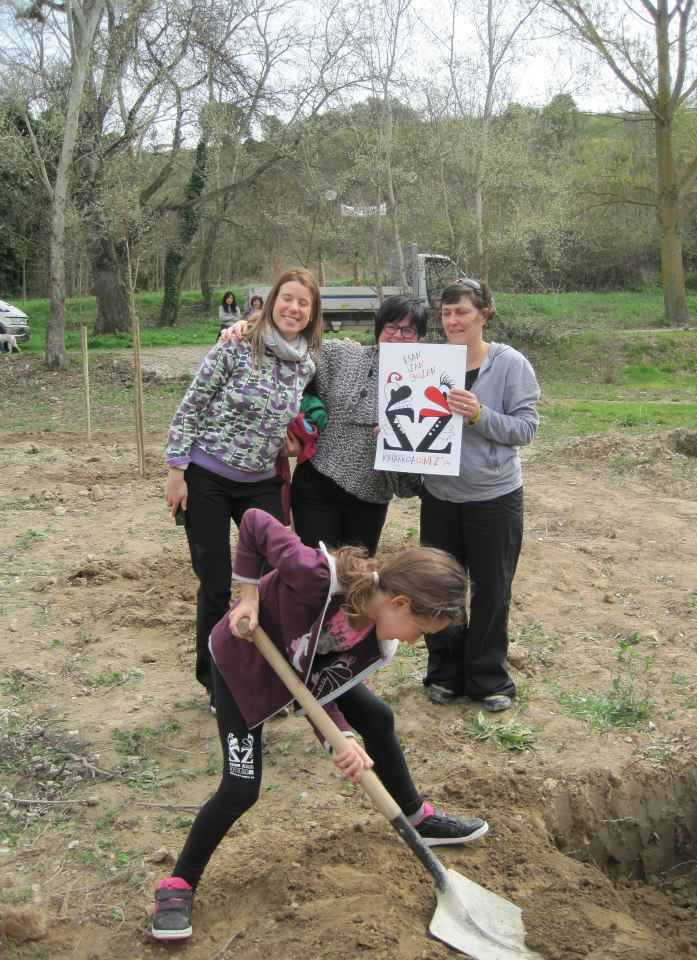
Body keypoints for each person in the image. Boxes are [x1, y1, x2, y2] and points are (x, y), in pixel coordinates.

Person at [150, 508, 489, 942]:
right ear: (400, 603)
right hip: (244, 668)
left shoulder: (372, 639)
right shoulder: (316, 578)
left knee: (377, 717)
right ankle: (178, 883)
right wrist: (249, 596)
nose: (413, 641)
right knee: (240, 788)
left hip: (299, 670)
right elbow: (254, 522)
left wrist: (341, 738)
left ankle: (415, 818)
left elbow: (319, 688)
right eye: (419, 631)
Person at [164, 268, 324, 711]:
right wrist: (176, 470)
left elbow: (290, 415)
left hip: (260, 481)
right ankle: (217, 682)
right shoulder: (235, 345)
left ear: (313, 313)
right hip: (208, 477)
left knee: (274, 579)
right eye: (287, 298)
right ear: (272, 301)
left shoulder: (306, 363)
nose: (293, 308)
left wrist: (292, 441)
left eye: (304, 303)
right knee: (216, 583)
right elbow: (192, 404)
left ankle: (269, 677)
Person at [221, 295, 426, 556]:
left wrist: (400, 447)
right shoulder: (342, 354)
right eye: (391, 327)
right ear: (379, 328)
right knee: (316, 571)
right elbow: (288, 346)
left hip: (372, 496)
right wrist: (250, 328)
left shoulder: (424, 384)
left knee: (356, 574)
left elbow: (410, 485)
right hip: (317, 486)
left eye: (408, 330)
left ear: (420, 337)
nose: (397, 335)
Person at [420, 278, 540, 712]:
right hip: (439, 496)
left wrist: (480, 415)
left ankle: (488, 678)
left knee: (492, 588)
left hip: (494, 497)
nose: (453, 321)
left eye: (462, 312)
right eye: (446, 313)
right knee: (439, 587)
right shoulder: (430, 362)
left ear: (484, 315)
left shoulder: (510, 364)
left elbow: (526, 428)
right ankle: (445, 674)